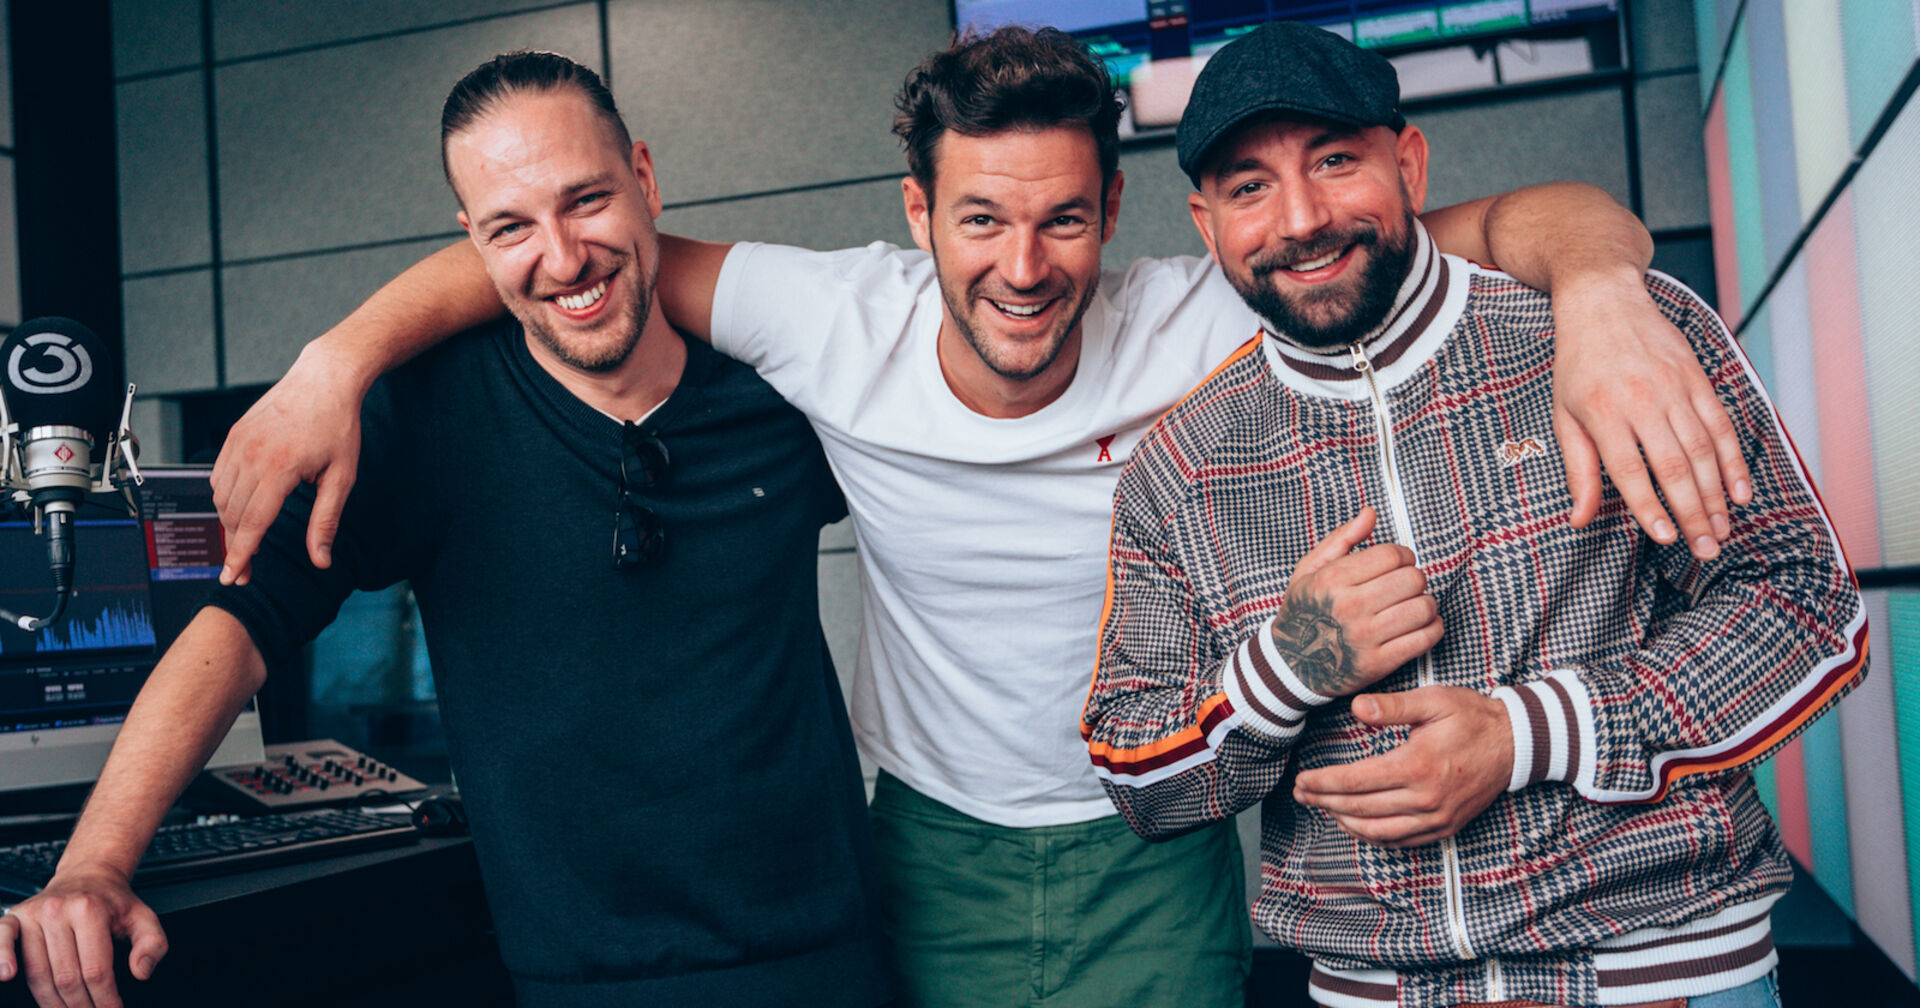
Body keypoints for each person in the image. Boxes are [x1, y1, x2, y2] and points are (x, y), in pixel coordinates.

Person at [202, 30, 1753, 1008]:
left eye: (1064, 218)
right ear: (918, 217)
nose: (1024, 265)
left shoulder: (1202, 311)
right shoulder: (824, 318)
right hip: (931, 842)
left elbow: (1518, 223)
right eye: (983, 220)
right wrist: (335, 362)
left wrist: (1604, 292)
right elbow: (555, 247)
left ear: (1117, 217)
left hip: (1160, 836)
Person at [0, 53, 891, 1008]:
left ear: (645, 176)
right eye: (512, 227)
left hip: (832, 959)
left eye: (588, 200)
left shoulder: (783, 394)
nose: (564, 258)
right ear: (472, 239)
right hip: (580, 982)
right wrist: (93, 865)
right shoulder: (424, 420)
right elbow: (240, 625)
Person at [1084, 21, 1867, 1008]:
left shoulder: (1612, 333)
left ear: (1409, 165)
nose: (1302, 217)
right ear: (1207, 225)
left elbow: (1807, 609)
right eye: (1250, 186)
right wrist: (1287, 667)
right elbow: (1141, 782)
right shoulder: (1178, 467)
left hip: (1663, 975)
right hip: (1374, 991)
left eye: (1335, 161)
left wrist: (1528, 734)